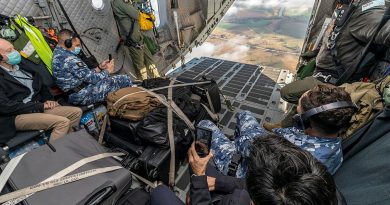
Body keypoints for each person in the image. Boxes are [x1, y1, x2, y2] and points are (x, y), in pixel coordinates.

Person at [264, 0, 390, 130]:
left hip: (332, 77)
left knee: (288, 93)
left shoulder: (370, 11)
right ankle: (288, 124)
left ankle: (302, 124)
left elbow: (385, 30)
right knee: (304, 84)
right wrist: (316, 53)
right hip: (323, 69)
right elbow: (337, 39)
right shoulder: (352, 7)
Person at [206, 84, 356, 177]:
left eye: (297, 112)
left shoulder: (285, 152)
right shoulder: (335, 150)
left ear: (303, 121)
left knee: (207, 125)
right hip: (272, 168)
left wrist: (242, 142)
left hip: (248, 175)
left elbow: (250, 146)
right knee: (245, 117)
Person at [150, 135, 345, 205]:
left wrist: (199, 179)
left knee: (159, 193)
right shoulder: (326, 192)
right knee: (209, 170)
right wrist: (216, 182)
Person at [0, 38, 82, 143]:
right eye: (9, 51)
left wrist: (48, 100)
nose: (15, 52)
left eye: (13, 48)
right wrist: (40, 106)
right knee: (62, 122)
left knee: (76, 112)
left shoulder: (21, 67)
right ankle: (56, 157)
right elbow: (5, 106)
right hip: (16, 115)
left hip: (36, 106)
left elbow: (40, 84)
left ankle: (68, 144)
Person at [52, 29, 133, 105]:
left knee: (111, 80)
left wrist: (99, 68)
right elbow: (93, 79)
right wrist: (108, 70)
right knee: (124, 79)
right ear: (68, 43)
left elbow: (84, 75)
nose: (79, 48)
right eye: (77, 45)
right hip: (81, 95)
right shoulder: (70, 59)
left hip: (77, 92)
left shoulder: (58, 53)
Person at [112, 0, 161, 80]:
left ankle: (157, 77)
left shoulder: (125, 2)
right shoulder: (118, 2)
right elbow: (136, 15)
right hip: (133, 38)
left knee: (149, 58)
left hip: (138, 36)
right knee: (140, 64)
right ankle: (145, 82)